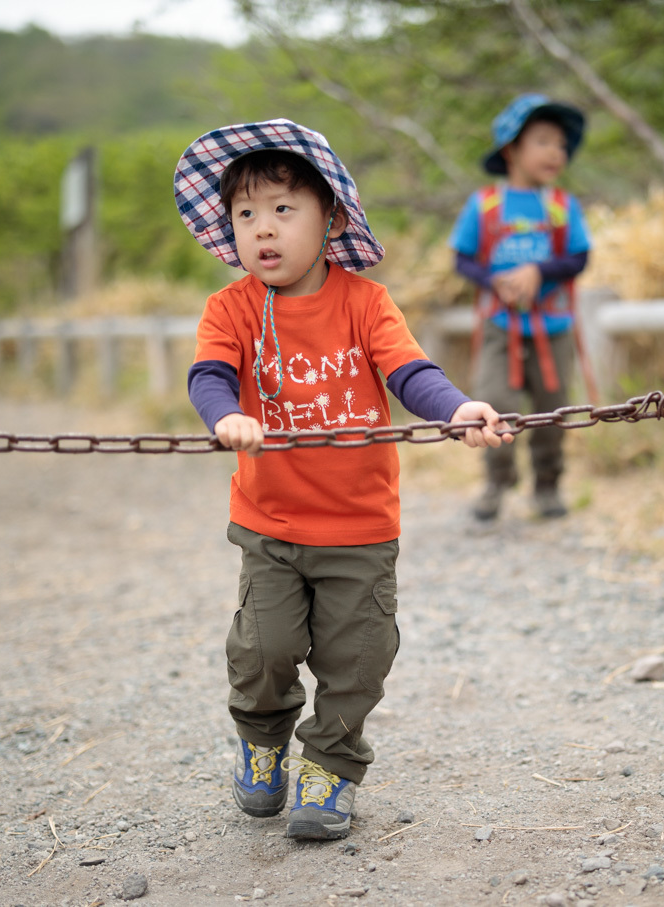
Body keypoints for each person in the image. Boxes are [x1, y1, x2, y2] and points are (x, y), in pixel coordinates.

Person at [174, 119, 512, 841]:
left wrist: (456, 409)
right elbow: (209, 376)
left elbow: (408, 371)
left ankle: (330, 761)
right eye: (246, 215)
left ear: (330, 218)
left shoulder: (364, 302)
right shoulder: (230, 309)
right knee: (262, 648)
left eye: (283, 209)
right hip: (271, 523)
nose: (263, 229)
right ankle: (263, 741)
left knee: (358, 654)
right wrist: (225, 415)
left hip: (360, 526)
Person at [449, 93, 591, 522]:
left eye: (561, 145)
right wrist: (495, 280)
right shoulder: (485, 204)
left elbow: (579, 259)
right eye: (544, 141)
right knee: (493, 401)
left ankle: (547, 486)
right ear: (512, 149)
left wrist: (538, 272)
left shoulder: (563, 206)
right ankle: (497, 479)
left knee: (552, 408)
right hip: (499, 326)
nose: (556, 152)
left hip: (554, 326)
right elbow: (463, 259)